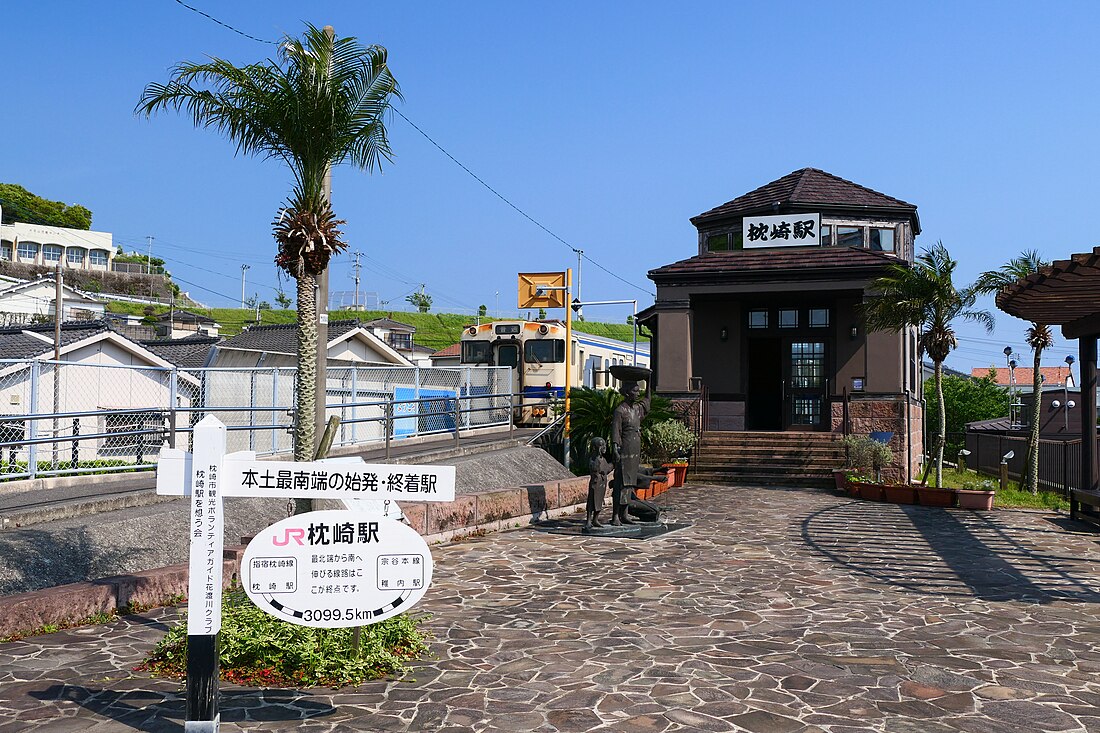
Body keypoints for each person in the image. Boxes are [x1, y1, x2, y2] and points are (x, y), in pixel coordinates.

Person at [610, 378, 650, 526]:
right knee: (621, 483)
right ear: (627, 393)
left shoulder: (636, 409)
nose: (638, 393)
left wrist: (649, 381)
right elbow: (615, 431)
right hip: (624, 449)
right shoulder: (620, 411)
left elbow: (648, 401)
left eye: (638, 390)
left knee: (630, 484)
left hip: (635, 448)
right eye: (635, 391)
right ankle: (615, 515)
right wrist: (615, 448)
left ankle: (624, 514)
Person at [584, 437, 612, 530]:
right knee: (592, 501)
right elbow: (596, 469)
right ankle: (588, 520)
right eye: (601, 445)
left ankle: (595, 519)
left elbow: (607, 469)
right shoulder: (593, 459)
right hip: (595, 483)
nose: (604, 447)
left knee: (599, 501)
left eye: (604, 445)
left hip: (602, 483)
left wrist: (613, 464)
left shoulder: (603, 459)